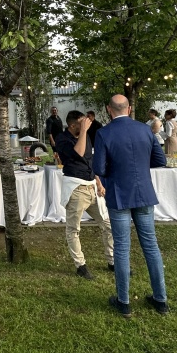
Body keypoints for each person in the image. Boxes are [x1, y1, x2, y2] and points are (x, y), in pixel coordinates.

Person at [93, 94, 169, 317]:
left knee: (122, 247)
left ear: (109, 109)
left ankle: (124, 301)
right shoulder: (145, 129)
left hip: (119, 194)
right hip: (144, 193)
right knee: (151, 245)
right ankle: (160, 299)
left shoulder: (104, 133)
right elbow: (160, 160)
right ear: (129, 108)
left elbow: (100, 168)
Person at [54, 110, 114, 280]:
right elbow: (78, 153)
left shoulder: (85, 135)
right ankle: (80, 265)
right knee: (73, 229)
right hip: (76, 189)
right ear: (73, 125)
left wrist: (98, 182)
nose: (87, 125)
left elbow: (89, 160)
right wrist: (84, 132)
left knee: (108, 225)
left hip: (91, 187)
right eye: (82, 123)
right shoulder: (62, 139)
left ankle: (112, 261)